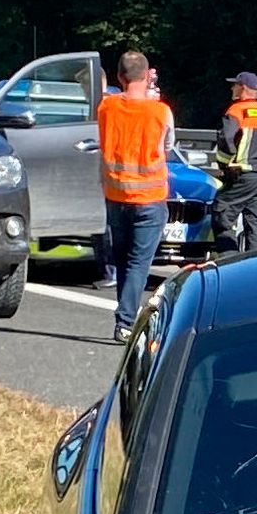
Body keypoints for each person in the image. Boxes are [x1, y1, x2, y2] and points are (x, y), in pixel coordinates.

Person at [93, 47, 173, 334]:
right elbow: (168, 147)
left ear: (119, 76)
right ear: (147, 75)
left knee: (124, 260)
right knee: (139, 263)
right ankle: (125, 321)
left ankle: (124, 317)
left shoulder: (106, 108)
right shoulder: (161, 111)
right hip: (150, 199)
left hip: (116, 197)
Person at [213, 72, 257, 253]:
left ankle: (228, 260)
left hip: (242, 174)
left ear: (243, 88)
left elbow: (226, 141)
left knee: (222, 213)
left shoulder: (235, 111)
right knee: (254, 224)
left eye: (235, 85)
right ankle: (253, 267)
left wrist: (225, 166)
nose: (232, 88)